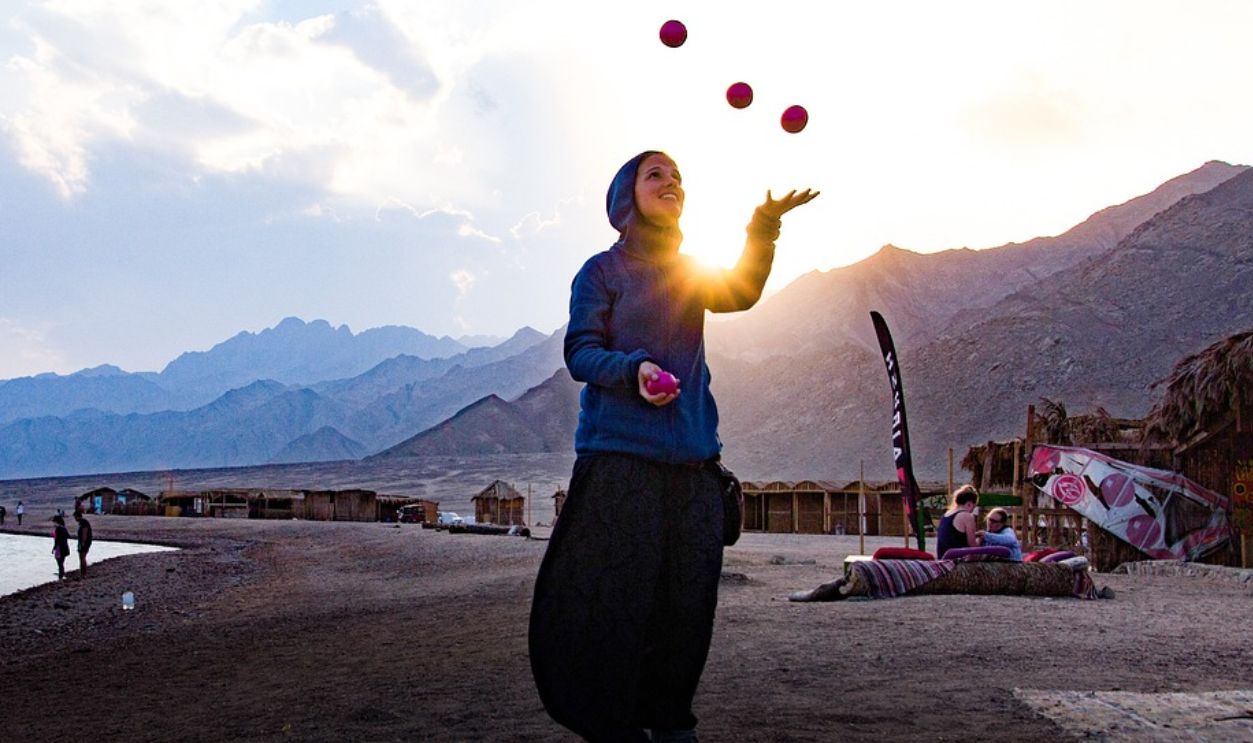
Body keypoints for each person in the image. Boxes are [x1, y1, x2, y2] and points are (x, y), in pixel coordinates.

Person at [529, 150, 817, 742]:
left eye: (678, 177)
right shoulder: (602, 272)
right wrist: (633, 370)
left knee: (686, 610)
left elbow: (740, 291)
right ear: (624, 196)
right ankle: (612, 724)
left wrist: (763, 229)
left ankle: (670, 723)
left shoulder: (690, 271)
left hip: (692, 464)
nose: (671, 183)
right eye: (654, 174)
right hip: (619, 462)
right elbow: (580, 352)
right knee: (615, 600)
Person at [936, 485, 979, 559]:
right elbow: (972, 545)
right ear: (969, 504)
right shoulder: (966, 516)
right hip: (957, 559)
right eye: (974, 507)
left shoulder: (947, 514)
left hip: (942, 557)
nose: (972, 511)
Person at [74, 509, 94, 578]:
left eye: (75, 517)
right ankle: (82, 573)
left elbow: (84, 533)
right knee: (81, 557)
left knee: (82, 557)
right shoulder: (82, 522)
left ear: (78, 516)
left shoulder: (83, 522)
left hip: (84, 542)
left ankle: (83, 574)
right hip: (83, 542)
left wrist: (83, 542)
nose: (75, 519)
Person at [51, 514, 71, 580]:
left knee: (59, 562)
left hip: (60, 547)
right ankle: (61, 574)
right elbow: (68, 536)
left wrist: (54, 548)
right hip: (65, 546)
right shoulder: (63, 528)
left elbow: (57, 540)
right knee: (61, 562)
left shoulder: (58, 529)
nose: (53, 523)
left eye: (54, 522)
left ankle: (61, 575)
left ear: (57, 522)